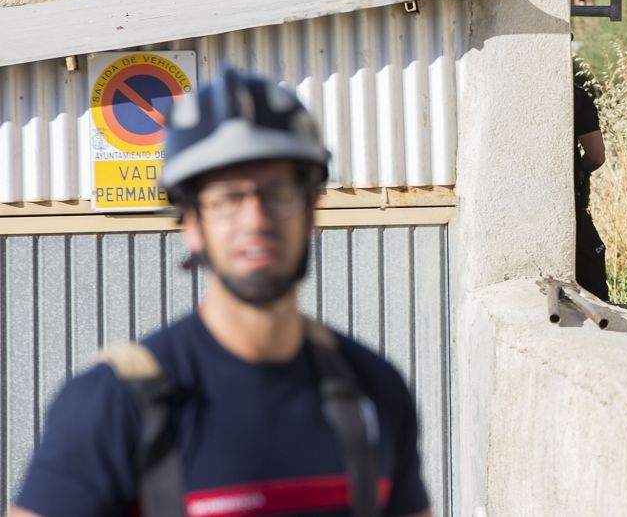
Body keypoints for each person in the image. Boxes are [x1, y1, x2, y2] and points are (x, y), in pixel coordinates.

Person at [9, 69, 431, 517]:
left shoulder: (375, 390)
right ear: (192, 223)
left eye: (278, 192)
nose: (255, 218)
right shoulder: (112, 405)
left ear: (312, 210)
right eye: (227, 198)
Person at [573, 82, 609, 301]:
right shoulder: (574, 95)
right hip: (570, 203)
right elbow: (596, 155)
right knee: (591, 258)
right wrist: (578, 170)